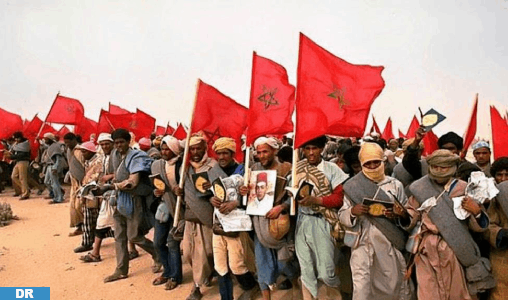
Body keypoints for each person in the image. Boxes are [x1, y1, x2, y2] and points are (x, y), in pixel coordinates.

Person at [405, 149, 495, 299]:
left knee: (456, 292)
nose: (439, 171)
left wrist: (476, 211)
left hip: (455, 248)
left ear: (452, 167)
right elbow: (411, 214)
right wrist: (401, 213)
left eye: (443, 167)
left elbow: (477, 225)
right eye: (435, 167)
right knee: (428, 292)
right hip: (427, 248)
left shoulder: (464, 188)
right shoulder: (420, 188)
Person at [339, 142, 411, 300]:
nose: (372, 166)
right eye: (367, 163)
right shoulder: (353, 186)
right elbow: (342, 214)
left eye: (376, 162)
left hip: (388, 241)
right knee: (362, 288)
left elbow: (408, 215)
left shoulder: (395, 185)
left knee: (390, 286)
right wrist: (352, 211)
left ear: (382, 161)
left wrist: (400, 214)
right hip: (361, 241)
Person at [240, 136, 299, 300]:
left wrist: (282, 207)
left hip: (279, 225)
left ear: (274, 151)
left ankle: (296, 288)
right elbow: (247, 199)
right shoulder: (253, 170)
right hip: (259, 224)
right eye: (258, 152)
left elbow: (293, 197)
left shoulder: (286, 169)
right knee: (262, 263)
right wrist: (243, 193)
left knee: (286, 263)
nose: (262, 155)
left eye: (265, 151)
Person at [294, 136, 349, 300]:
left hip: (324, 220)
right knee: (306, 268)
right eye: (307, 148)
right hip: (302, 220)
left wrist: (316, 200)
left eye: (315, 148)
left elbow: (339, 199)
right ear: (303, 150)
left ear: (322, 149)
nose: (311, 153)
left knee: (326, 271)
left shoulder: (332, 169)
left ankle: (335, 294)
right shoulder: (296, 169)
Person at [175, 134, 226, 300]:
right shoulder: (186, 168)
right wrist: (179, 191)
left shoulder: (213, 166)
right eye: (192, 149)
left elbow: (224, 189)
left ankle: (196, 287)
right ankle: (203, 277)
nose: (195, 152)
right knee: (189, 253)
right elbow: (182, 190)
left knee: (205, 253)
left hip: (206, 218)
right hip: (190, 218)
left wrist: (211, 190)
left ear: (205, 148)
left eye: (198, 148)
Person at [103, 128, 157, 283]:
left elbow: (133, 182)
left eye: (121, 142)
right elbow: (117, 174)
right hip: (120, 199)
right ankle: (121, 270)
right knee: (119, 237)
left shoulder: (137, 156)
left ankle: (158, 254)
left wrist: (113, 186)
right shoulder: (115, 155)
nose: (119, 145)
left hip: (134, 199)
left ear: (128, 142)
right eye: (116, 143)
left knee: (134, 236)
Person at [209, 137, 258, 300]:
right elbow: (210, 193)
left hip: (237, 225)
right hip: (218, 224)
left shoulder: (244, 171)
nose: (221, 157)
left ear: (232, 153)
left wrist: (236, 202)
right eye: (219, 153)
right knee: (220, 265)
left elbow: (254, 196)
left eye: (225, 153)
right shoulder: (213, 171)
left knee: (237, 265)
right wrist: (211, 199)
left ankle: (251, 286)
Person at [151, 135, 184, 290]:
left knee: (172, 243)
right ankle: (167, 270)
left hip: (179, 208)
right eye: (162, 149)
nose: (164, 152)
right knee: (158, 242)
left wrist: (179, 191)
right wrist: (157, 192)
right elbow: (156, 184)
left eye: (167, 149)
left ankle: (175, 276)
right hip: (164, 208)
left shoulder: (183, 166)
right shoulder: (157, 165)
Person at [80, 133, 116, 263]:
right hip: (107, 195)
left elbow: (124, 172)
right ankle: (95, 253)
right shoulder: (105, 157)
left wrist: (110, 176)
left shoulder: (116, 156)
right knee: (103, 223)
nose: (105, 146)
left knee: (117, 225)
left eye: (107, 143)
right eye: (102, 144)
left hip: (116, 193)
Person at [484, 157, 508, 299]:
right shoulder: (493, 198)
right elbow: (488, 225)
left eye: (507, 174)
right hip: (502, 256)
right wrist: (500, 234)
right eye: (499, 175)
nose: (503, 178)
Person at [74, 141, 102, 253]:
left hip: (94, 193)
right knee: (89, 218)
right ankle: (88, 242)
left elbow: (95, 177)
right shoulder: (88, 161)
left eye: (84, 151)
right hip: (88, 194)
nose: (82, 153)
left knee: (93, 219)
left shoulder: (98, 161)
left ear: (91, 151)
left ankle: (89, 243)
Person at [64, 133, 85, 236]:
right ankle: (79, 225)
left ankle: (85, 226)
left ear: (74, 140)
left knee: (80, 205)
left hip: (82, 181)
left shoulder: (81, 151)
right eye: (66, 143)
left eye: (69, 142)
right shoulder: (68, 151)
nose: (67, 144)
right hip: (74, 181)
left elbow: (84, 166)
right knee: (73, 205)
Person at [41, 133, 66, 204]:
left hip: (53, 166)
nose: (45, 140)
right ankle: (58, 192)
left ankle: (58, 198)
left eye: (46, 139)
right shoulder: (50, 146)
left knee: (54, 182)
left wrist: (55, 167)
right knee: (46, 182)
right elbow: (44, 146)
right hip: (48, 166)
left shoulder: (56, 146)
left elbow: (58, 158)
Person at [7, 132, 31, 200]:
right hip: (18, 161)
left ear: (20, 138)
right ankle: (25, 189)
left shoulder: (25, 144)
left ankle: (25, 193)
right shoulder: (17, 144)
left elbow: (22, 154)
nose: (16, 140)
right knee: (13, 176)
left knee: (22, 178)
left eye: (16, 138)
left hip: (23, 161)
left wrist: (11, 156)